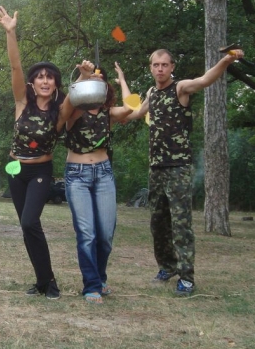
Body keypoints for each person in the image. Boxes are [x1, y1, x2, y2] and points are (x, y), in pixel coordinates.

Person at [123, 47, 243, 296]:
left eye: (164, 65)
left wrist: (226, 60)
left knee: (181, 225)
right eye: (156, 65)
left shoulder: (180, 88)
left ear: (172, 67)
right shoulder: (151, 92)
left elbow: (205, 80)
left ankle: (186, 278)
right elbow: (135, 112)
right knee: (158, 224)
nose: (160, 69)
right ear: (151, 68)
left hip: (178, 168)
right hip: (156, 168)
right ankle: (167, 267)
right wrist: (121, 84)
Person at [0, 6, 73, 300]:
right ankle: (42, 282)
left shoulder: (61, 110)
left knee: (29, 222)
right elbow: (15, 67)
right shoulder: (22, 103)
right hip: (15, 169)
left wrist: (88, 74)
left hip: (40, 170)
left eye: (50, 77)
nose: (45, 81)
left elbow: (81, 95)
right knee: (27, 227)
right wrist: (10, 33)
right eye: (40, 77)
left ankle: (49, 281)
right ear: (33, 83)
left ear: (56, 84)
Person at [64, 60, 138, 304]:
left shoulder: (108, 114)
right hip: (77, 175)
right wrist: (83, 77)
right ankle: (92, 286)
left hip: (104, 173)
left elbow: (131, 107)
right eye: (92, 79)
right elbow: (67, 104)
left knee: (105, 235)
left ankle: (100, 277)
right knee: (87, 233)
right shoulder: (75, 111)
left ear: (105, 87)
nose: (96, 82)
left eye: (100, 79)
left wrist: (122, 79)